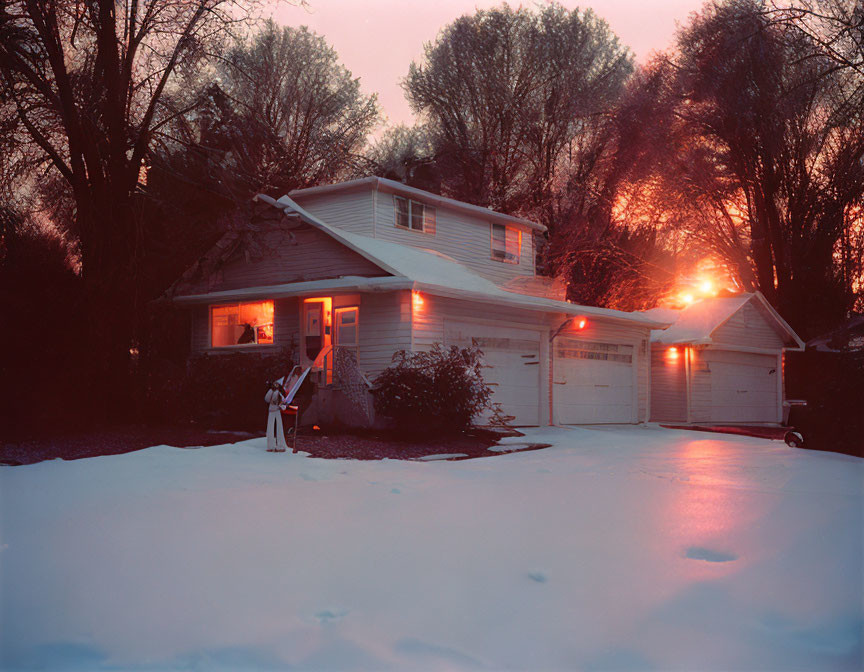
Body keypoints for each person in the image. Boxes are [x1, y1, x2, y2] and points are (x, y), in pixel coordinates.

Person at [264, 380, 290, 452]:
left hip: (277, 410)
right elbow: (267, 399)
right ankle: (270, 445)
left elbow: (283, 401)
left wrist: (281, 404)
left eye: (277, 384)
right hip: (271, 410)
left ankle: (281, 445)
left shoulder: (280, 393)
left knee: (279, 427)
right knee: (270, 427)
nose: (276, 385)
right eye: (275, 384)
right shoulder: (271, 391)